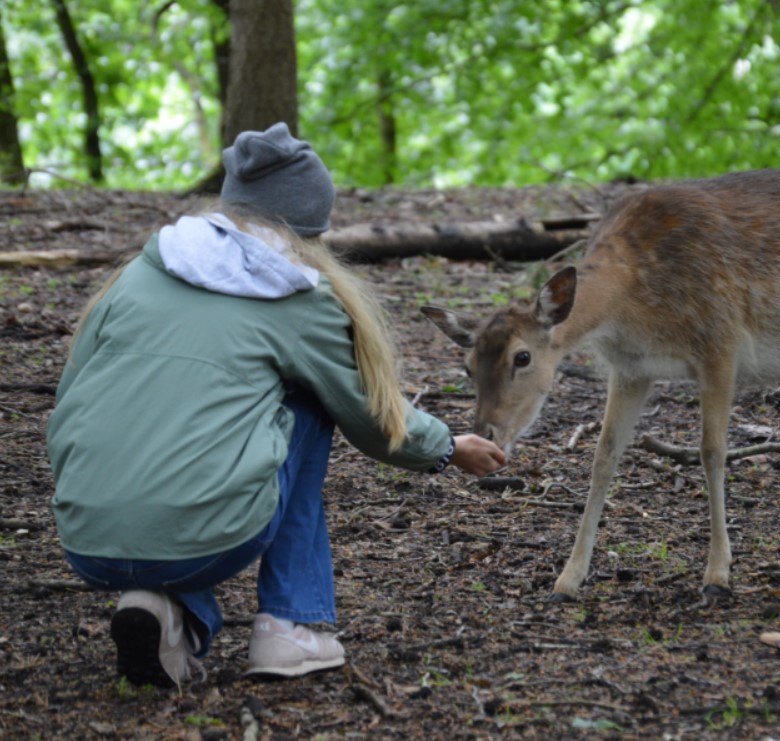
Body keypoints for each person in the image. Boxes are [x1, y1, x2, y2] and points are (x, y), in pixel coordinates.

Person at [46, 122, 506, 689]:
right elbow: (367, 412)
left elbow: (71, 401)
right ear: (308, 225)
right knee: (313, 403)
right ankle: (292, 626)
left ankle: (171, 612)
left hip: (86, 537)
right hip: (208, 539)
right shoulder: (297, 296)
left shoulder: (139, 275)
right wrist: (448, 447)